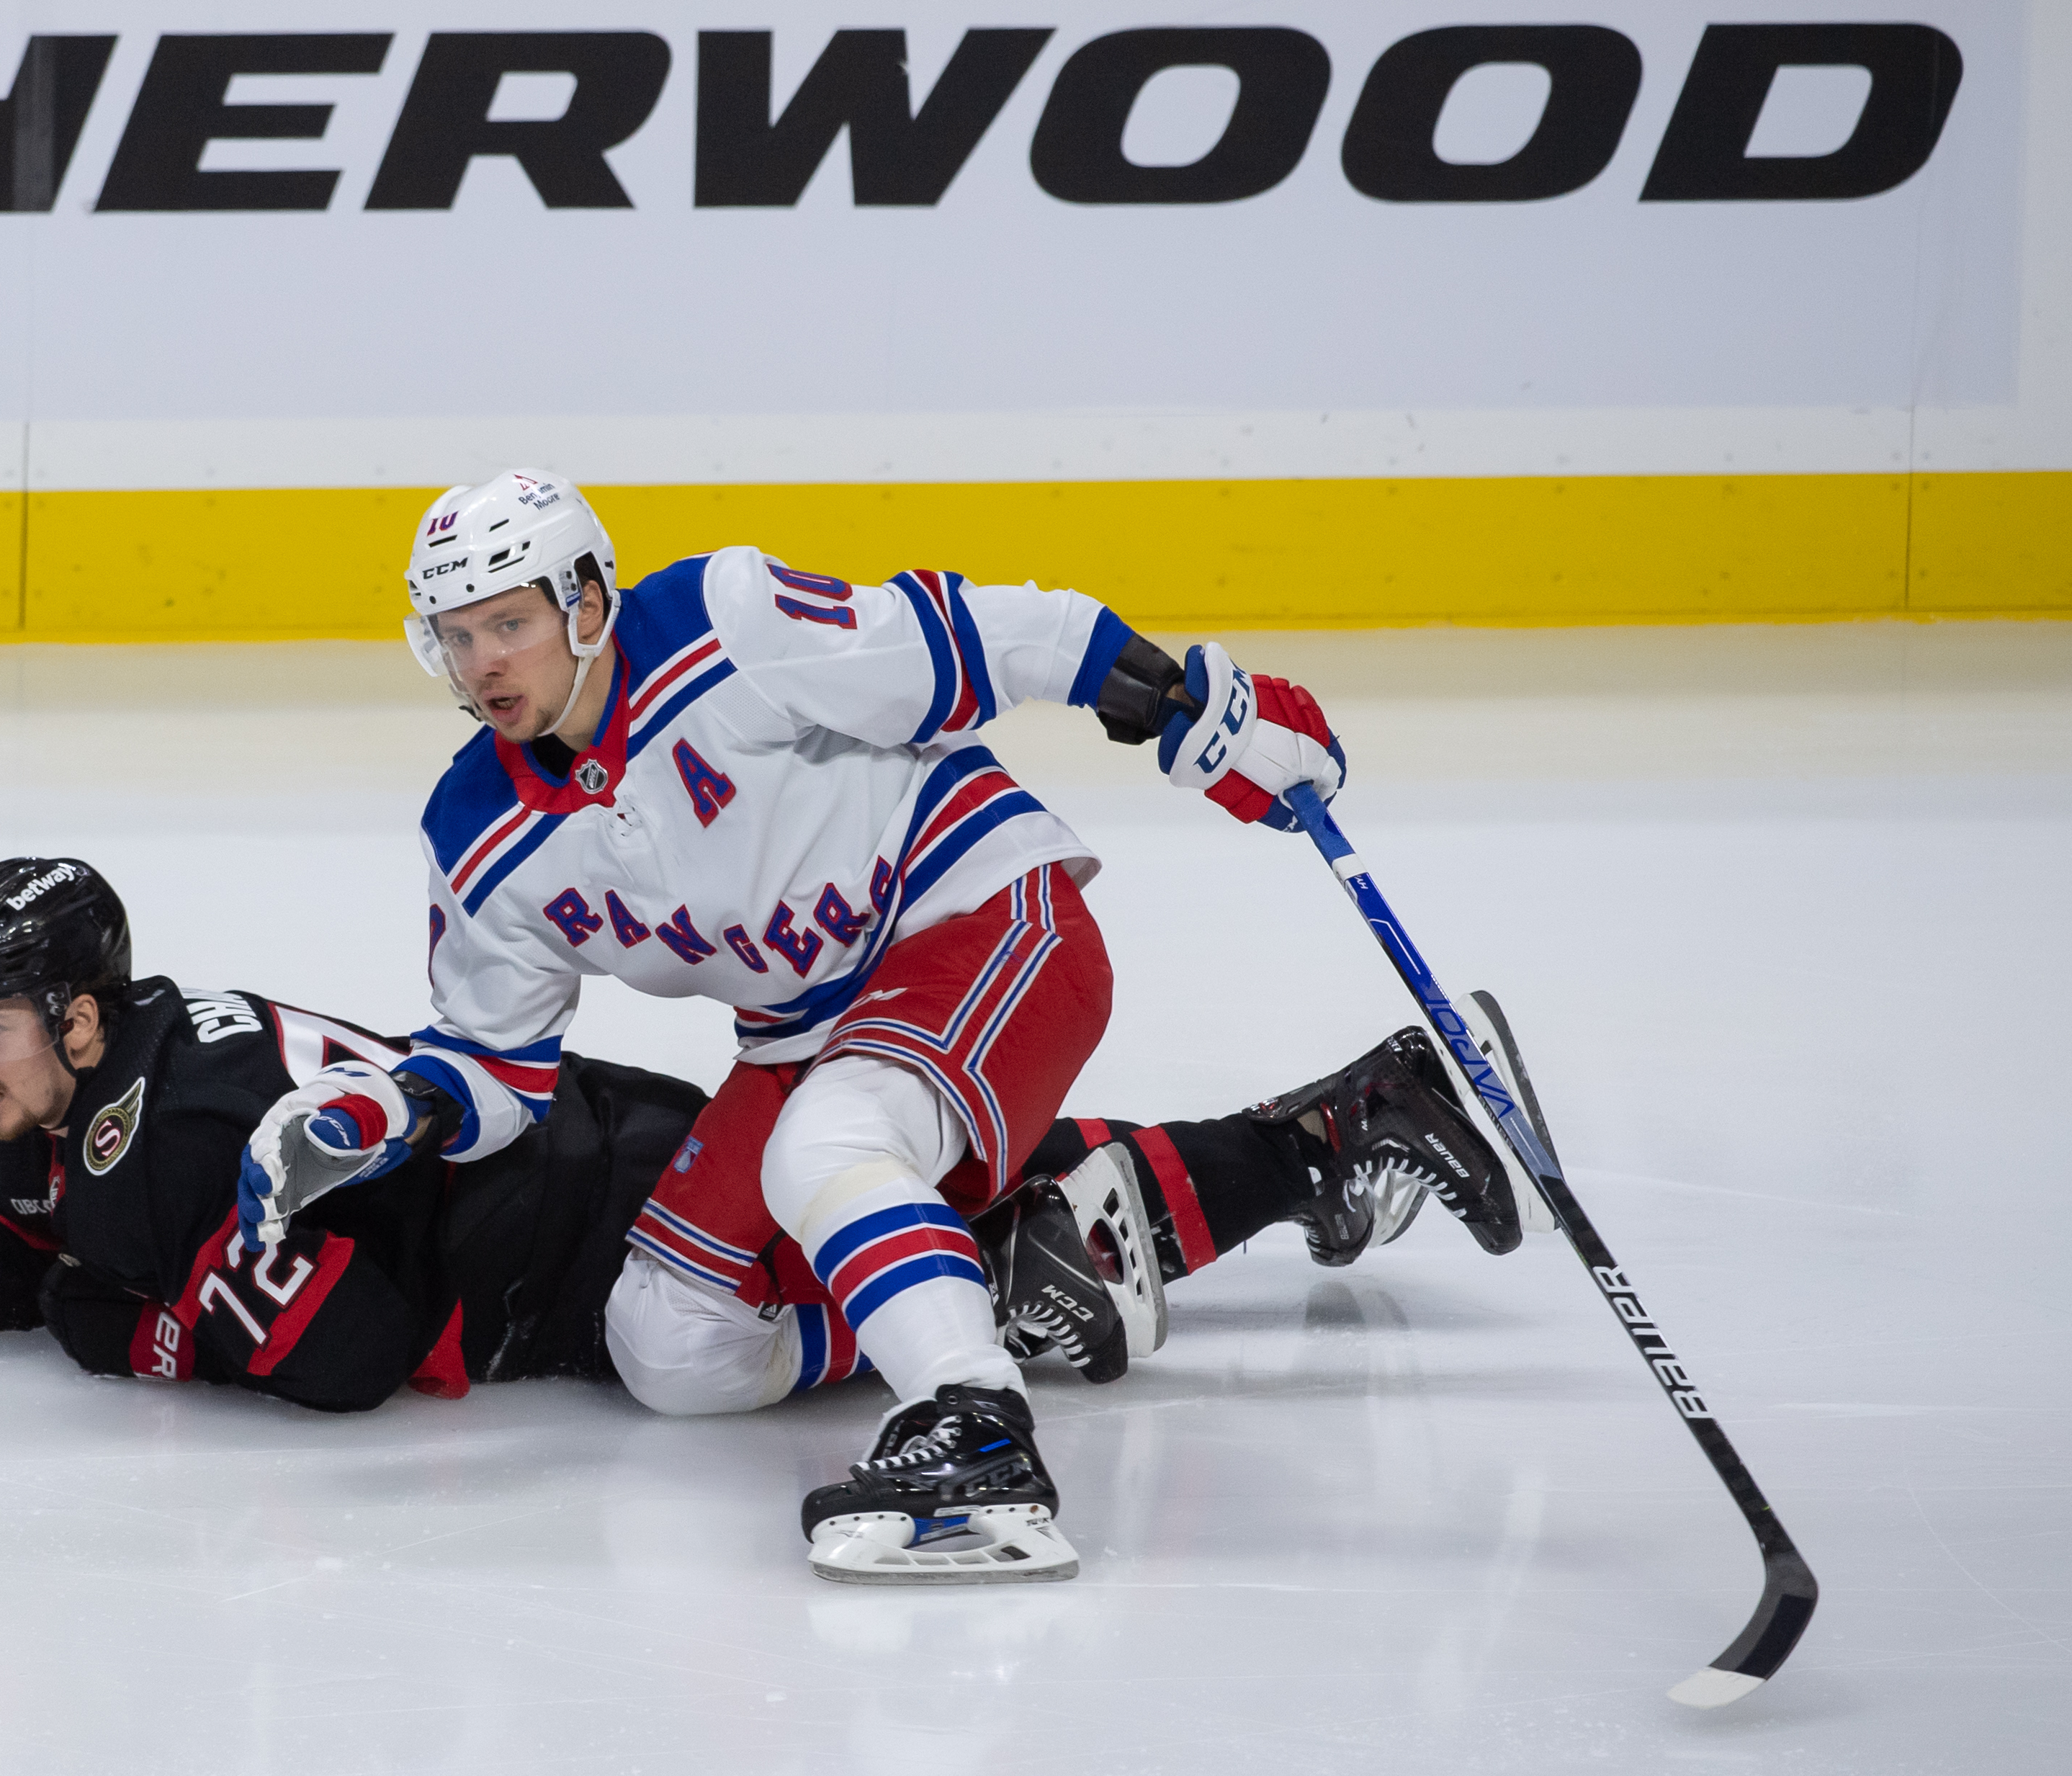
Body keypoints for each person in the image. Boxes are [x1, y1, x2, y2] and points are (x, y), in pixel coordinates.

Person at [236, 469, 1525, 1584]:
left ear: (586, 603)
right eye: (456, 637)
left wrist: (1190, 697)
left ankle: (976, 1429)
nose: (483, 666)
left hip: (976, 915)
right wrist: (377, 1110)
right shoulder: (476, 830)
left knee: (826, 1149)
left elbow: (982, 632)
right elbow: (495, 1063)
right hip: (807, 1032)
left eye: (509, 624)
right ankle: (1019, 1256)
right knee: (669, 1339)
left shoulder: (720, 623)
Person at [0, 858, 1517, 1430]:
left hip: (590, 1229)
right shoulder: (112, 1105)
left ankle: (1330, 1128)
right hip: (585, 1166)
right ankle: (1341, 1118)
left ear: (81, 1022)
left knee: (959, 1241)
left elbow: (347, 1354)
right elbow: (59, 1245)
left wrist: (110, 1329)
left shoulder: (174, 1139)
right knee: (962, 1194)